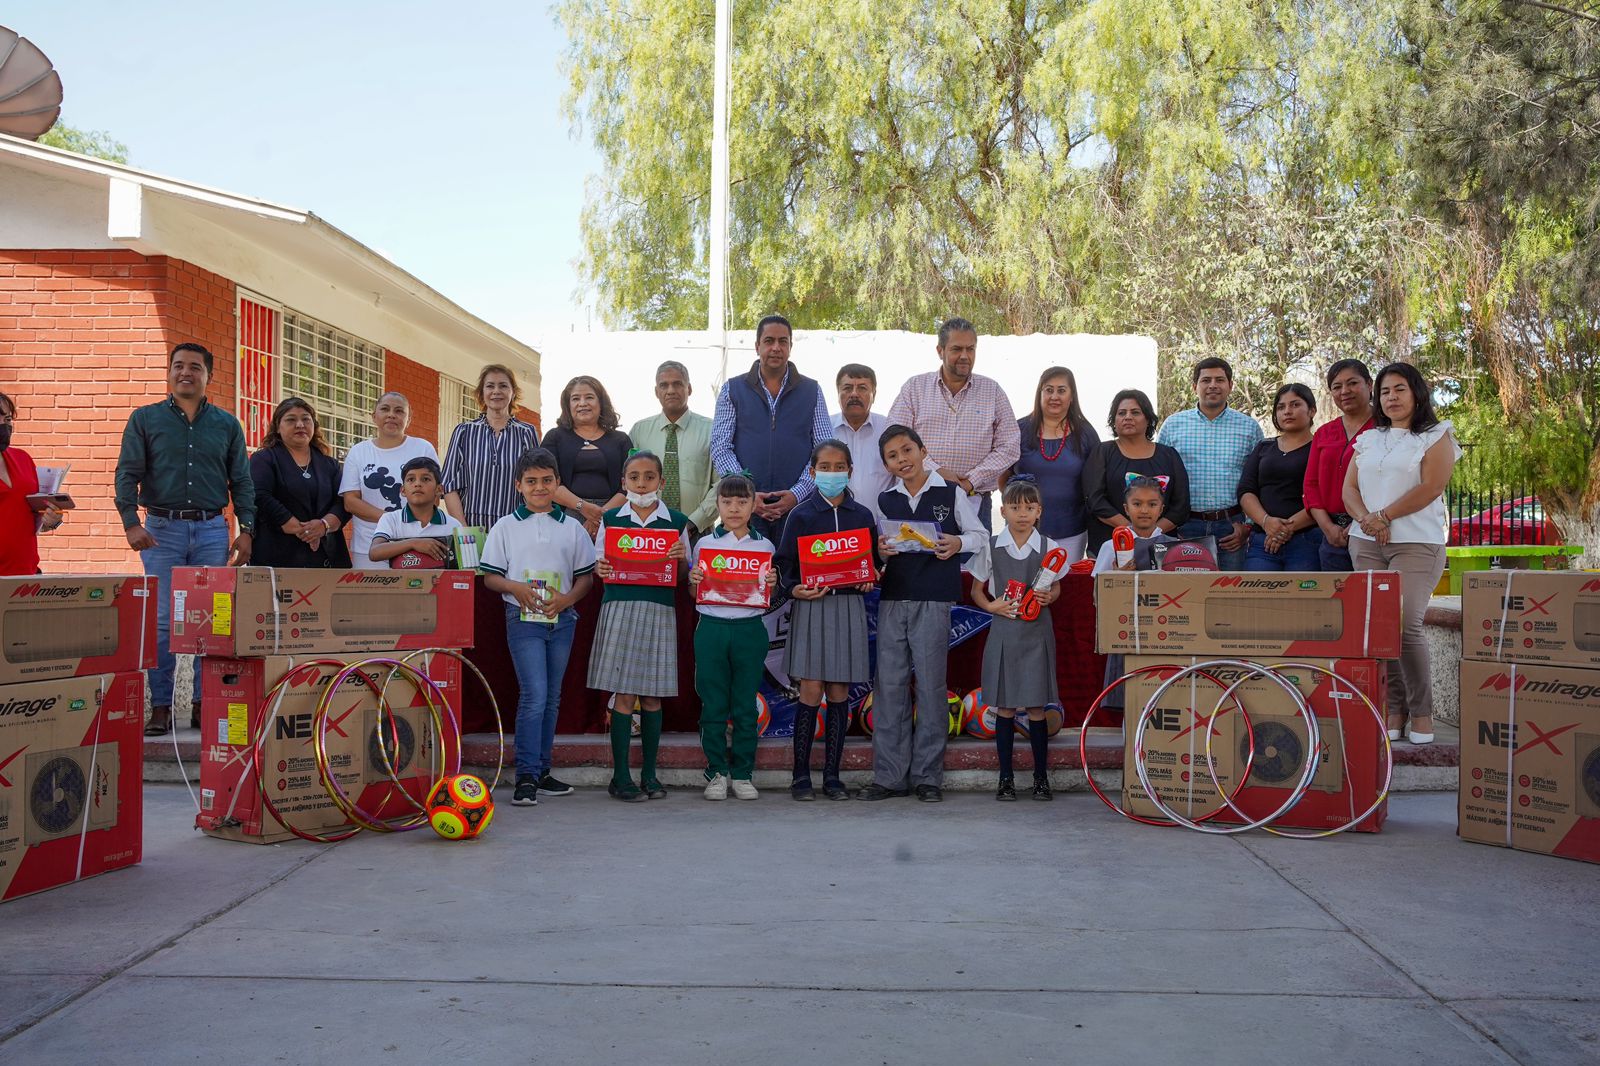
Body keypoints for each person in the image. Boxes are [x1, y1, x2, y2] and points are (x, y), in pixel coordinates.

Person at [116, 343, 256, 736]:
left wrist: (246, 531)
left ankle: (202, 704)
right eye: (178, 366)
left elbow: (242, 482)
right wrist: (131, 522)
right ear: (169, 372)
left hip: (213, 530)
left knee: (211, 622)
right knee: (161, 622)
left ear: (209, 375)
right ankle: (160, 707)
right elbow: (127, 473)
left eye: (195, 367)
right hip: (161, 531)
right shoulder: (145, 419)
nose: (185, 373)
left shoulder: (227, 425)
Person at [861, 424, 986, 803]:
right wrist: (882, 552)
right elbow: (874, 556)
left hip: (935, 598)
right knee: (890, 687)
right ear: (887, 464)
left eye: (907, 451)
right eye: (893, 456)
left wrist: (958, 541)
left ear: (922, 450)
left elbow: (980, 535)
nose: (902, 460)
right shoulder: (885, 501)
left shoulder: (949, 492)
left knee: (931, 687)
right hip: (894, 599)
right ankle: (889, 776)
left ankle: (927, 778)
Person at [1343, 362, 1461, 746]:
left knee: (1405, 624)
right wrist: (1366, 520)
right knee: (1380, 629)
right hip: (1367, 542)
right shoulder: (1369, 439)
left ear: (1417, 394)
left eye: (1400, 390)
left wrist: (1384, 516)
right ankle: (1394, 709)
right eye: (1385, 391)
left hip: (1416, 543)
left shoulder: (1435, 435)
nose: (1391, 398)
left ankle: (1422, 712)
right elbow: (1349, 490)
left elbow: (1431, 486)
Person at [479, 447, 596, 806]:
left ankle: (543, 771)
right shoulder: (505, 526)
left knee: (552, 698)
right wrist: (516, 588)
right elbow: (490, 578)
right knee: (535, 695)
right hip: (522, 619)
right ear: (519, 485)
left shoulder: (573, 529)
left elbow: (585, 578)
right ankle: (526, 775)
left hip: (562, 620)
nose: (540, 487)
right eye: (531, 481)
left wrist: (567, 600)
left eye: (547, 481)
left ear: (558, 483)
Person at [776, 439, 880, 801]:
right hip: (812, 608)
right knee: (810, 690)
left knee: (839, 692)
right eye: (825, 467)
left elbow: (874, 565)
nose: (832, 473)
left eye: (840, 467)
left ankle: (833, 776)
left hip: (849, 607)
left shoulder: (862, 516)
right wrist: (794, 590)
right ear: (812, 472)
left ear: (850, 471)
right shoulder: (801, 515)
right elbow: (784, 567)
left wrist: (871, 576)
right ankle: (800, 775)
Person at [589, 451, 691, 802]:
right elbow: (599, 565)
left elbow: (682, 577)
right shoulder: (612, 519)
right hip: (620, 607)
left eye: (649, 477)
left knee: (652, 695)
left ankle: (649, 774)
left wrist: (680, 562)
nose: (642, 483)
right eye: (634, 477)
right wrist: (599, 570)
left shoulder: (676, 522)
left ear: (661, 483)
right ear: (624, 482)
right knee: (624, 693)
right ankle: (620, 777)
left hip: (659, 610)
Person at [967, 480, 1062, 802]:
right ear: (1003, 510)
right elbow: (976, 591)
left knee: (1036, 707)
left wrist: (1050, 596)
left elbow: (1057, 586)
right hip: (1005, 630)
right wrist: (991, 606)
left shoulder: (1049, 546)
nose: (1023, 514)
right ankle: (1005, 778)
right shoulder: (991, 545)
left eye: (1030, 508)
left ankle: (1040, 778)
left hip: (1036, 632)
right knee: (1005, 708)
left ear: (1039, 512)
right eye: (1016, 507)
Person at [688, 474, 779, 801]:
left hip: (749, 629)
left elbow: (767, 590)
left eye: (742, 501)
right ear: (718, 505)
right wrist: (693, 578)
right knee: (713, 702)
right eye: (727, 501)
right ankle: (716, 772)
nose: (735, 508)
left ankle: (742, 773)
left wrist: (771, 580)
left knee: (744, 704)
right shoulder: (704, 544)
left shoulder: (764, 546)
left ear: (753, 504)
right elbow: (692, 590)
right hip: (711, 627)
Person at [886, 317, 1020, 528]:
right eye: (957, 349)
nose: (965, 356)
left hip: (974, 500)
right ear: (940, 351)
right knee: (919, 557)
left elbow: (1009, 446)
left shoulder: (992, 391)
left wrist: (969, 482)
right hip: (918, 496)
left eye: (971, 349)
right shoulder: (915, 388)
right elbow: (894, 437)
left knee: (973, 559)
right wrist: (936, 472)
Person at [710, 314, 832, 542]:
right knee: (750, 577)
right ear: (757, 346)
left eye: (782, 341)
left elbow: (824, 453)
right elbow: (720, 448)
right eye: (769, 341)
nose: (776, 347)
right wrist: (747, 495)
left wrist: (797, 494)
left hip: (800, 511)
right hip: (746, 514)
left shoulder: (812, 390)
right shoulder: (732, 390)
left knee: (794, 577)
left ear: (790, 347)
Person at [1157, 357, 1264, 570]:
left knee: (1229, 594)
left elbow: (1258, 481)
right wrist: (1169, 524)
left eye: (1220, 380)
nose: (1213, 385)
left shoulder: (1249, 428)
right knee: (1186, 595)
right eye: (1206, 380)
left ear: (1230, 385)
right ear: (1194, 386)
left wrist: (1247, 526)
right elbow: (1162, 480)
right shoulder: (1173, 425)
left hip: (1231, 528)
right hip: (1184, 526)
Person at [1092, 477, 1175, 712]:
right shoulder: (1110, 547)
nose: (1145, 510)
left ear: (1162, 508)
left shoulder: (1174, 546)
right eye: (1137, 504)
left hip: (1163, 633)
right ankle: (1130, 747)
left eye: (1152, 504)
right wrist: (1116, 580)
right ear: (1126, 509)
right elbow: (1098, 596)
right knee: (1129, 700)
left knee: (1161, 700)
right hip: (1127, 632)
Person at [1006, 365, 1099, 563]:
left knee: (1063, 589)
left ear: (1072, 396)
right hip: (1023, 530)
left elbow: (1096, 482)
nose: (1054, 396)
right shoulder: (1018, 429)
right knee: (1023, 587)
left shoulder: (1086, 433)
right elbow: (1003, 475)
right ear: (1039, 394)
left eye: (1061, 390)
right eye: (1049, 390)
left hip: (1071, 531)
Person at [1082, 389, 1191, 555]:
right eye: (1121, 413)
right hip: (1111, 546)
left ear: (1148, 418)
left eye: (1135, 412)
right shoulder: (1102, 452)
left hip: (1161, 548)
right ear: (1114, 420)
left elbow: (1181, 505)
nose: (1127, 417)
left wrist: (1151, 533)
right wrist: (1130, 530)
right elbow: (1095, 500)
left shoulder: (1169, 455)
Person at [340, 392, 438, 569]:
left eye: (399, 411)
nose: (392, 414)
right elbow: (350, 502)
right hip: (368, 547)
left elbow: (434, 495)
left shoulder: (423, 448)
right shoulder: (358, 452)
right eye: (385, 409)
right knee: (372, 596)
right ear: (374, 416)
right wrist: (391, 520)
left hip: (418, 544)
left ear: (408, 419)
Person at [248, 398, 349, 569]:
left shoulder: (329, 464)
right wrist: (304, 531)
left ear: (314, 426)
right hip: (277, 556)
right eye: (291, 420)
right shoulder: (264, 459)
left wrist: (323, 526)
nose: (300, 424)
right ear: (278, 427)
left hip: (326, 558)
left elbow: (343, 501)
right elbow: (259, 497)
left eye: (306, 419)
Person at [440, 364, 541, 531]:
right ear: (482, 392)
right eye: (490, 386)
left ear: (513, 392)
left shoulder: (526, 432)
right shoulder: (464, 432)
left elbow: (533, 483)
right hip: (471, 527)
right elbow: (449, 486)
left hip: (514, 529)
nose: (496, 391)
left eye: (503, 386)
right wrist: (464, 529)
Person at [628, 361, 718, 538]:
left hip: (698, 532)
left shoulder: (711, 430)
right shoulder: (639, 431)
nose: (670, 390)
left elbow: (723, 483)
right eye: (664, 385)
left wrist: (693, 523)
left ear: (689, 389)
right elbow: (628, 481)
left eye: (678, 384)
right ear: (656, 392)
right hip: (646, 532)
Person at [1238, 384, 1321, 571]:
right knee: (1255, 597)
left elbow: (1323, 496)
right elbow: (1246, 490)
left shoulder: (1321, 448)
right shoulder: (1263, 447)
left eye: (1295, 405)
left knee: (1302, 599)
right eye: (1281, 407)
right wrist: (1266, 522)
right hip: (1262, 540)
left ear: (1312, 411)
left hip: (1306, 541)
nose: (1287, 412)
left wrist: (1284, 529)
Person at [1304, 359, 1376, 571]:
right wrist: (1327, 527)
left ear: (1369, 385)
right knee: (1337, 601)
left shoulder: (1385, 428)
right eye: (1337, 387)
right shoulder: (1324, 433)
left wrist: (1360, 523)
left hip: (1373, 530)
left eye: (1352, 383)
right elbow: (1311, 485)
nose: (1345, 391)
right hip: (1332, 535)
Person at [542, 376, 632, 538]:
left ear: (600, 402)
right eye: (576, 398)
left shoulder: (621, 440)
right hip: (565, 516)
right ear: (568, 405)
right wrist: (582, 507)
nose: (582, 403)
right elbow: (546, 481)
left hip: (612, 516)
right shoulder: (554, 437)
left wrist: (600, 515)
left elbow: (629, 485)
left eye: (589, 397)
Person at [0, 390, 63, 576]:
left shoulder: (23, 459)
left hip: (26, 574)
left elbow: (30, 520)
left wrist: (52, 521)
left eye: (8, 419)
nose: (4, 424)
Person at [367, 457, 462, 566]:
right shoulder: (390, 519)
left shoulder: (453, 525)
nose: (417, 484)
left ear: (439, 489)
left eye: (425, 479)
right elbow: (374, 552)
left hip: (441, 582)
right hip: (399, 583)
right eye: (411, 479)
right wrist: (413, 543)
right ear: (403, 490)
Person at [829, 364, 893, 522]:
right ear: (838, 393)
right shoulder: (824, 429)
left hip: (879, 528)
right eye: (847, 388)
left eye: (863, 388)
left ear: (874, 394)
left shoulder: (889, 429)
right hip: (833, 528)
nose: (854, 394)